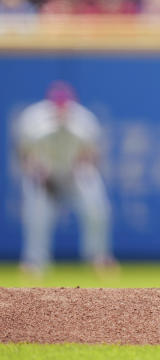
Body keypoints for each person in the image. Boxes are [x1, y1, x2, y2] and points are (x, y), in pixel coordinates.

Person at [15, 81, 115, 274]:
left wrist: (79, 169)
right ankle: (34, 261)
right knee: (37, 214)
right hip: (44, 174)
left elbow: (94, 154)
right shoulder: (34, 120)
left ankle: (98, 257)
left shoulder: (84, 120)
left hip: (74, 173)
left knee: (95, 207)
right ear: (51, 104)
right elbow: (24, 153)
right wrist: (39, 171)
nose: (61, 110)